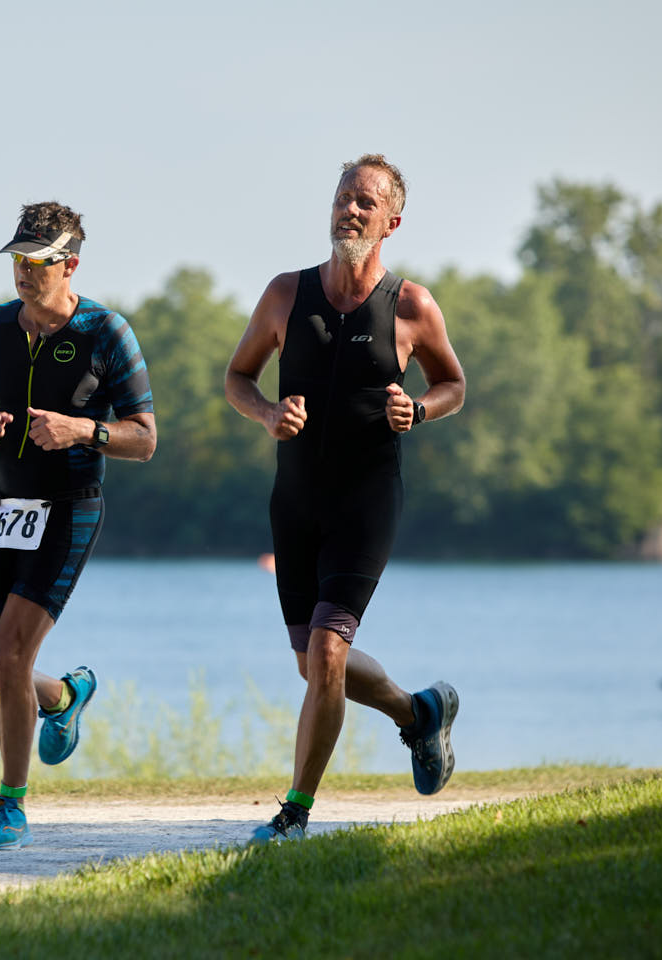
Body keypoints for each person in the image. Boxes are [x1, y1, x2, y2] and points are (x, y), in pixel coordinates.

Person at [224, 154, 467, 843]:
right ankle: (417, 713)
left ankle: (294, 814)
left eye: (366, 202)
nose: (350, 210)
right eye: (342, 197)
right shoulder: (285, 294)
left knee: (328, 654)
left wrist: (418, 410)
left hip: (366, 502)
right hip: (295, 503)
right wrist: (267, 413)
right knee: (312, 664)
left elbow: (453, 385)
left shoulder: (411, 305)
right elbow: (238, 377)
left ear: (392, 222)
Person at [0, 201, 156, 850]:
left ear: (71, 265)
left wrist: (82, 430)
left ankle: (10, 807)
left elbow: (144, 438)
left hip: (70, 507)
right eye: (18, 260)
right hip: (6, 509)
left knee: (11, 654)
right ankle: (64, 696)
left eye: (39, 262)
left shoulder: (106, 332)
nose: (25, 273)